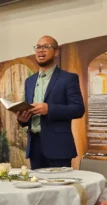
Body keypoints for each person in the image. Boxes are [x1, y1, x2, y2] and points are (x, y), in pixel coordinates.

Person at [16, 35, 85, 169]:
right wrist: (22, 119)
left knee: (60, 189)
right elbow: (28, 112)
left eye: (46, 47)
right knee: (37, 189)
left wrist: (49, 109)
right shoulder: (29, 82)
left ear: (56, 52)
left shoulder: (68, 78)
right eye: (38, 47)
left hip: (59, 147)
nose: (41, 50)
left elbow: (78, 109)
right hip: (34, 146)